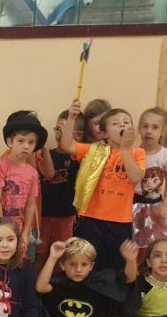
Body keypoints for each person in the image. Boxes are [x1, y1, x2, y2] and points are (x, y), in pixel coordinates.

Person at [58, 100, 146, 272]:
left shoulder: (137, 153)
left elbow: (135, 176)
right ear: (104, 133)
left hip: (120, 222)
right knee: (86, 263)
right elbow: (67, 145)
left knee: (116, 267)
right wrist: (71, 118)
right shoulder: (94, 150)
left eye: (126, 122)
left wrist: (125, 149)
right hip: (91, 219)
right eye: (116, 123)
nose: (122, 125)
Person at [0, 111, 46, 264]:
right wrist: (2, 230)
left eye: (31, 142)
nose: (26, 146)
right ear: (10, 142)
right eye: (21, 141)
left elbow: (31, 205)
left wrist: (25, 233)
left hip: (15, 232)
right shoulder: (1, 166)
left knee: (11, 270)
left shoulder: (32, 173)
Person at [36, 109, 85, 272]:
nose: (59, 134)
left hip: (65, 217)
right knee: (39, 256)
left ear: (78, 135)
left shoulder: (80, 159)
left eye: (65, 131)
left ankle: (56, 286)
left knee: (61, 256)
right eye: (57, 129)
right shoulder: (45, 155)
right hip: (42, 216)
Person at [133, 107, 167, 259]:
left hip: (155, 206)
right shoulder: (133, 153)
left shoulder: (166, 155)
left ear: (163, 132)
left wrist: (165, 205)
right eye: (145, 126)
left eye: (155, 127)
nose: (149, 131)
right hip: (133, 206)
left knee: (155, 242)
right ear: (139, 129)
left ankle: (153, 269)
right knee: (135, 243)